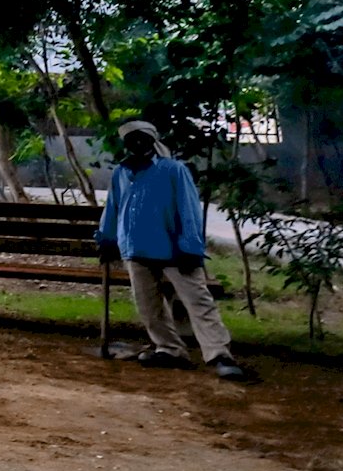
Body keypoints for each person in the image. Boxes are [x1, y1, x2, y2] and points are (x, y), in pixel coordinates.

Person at [96, 120, 257, 380]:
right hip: (135, 248)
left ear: (152, 141)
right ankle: (169, 349)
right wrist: (107, 238)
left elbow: (188, 208)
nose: (136, 144)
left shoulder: (173, 170)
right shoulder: (121, 172)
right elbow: (113, 208)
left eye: (142, 138)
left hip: (173, 249)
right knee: (148, 306)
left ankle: (219, 355)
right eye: (131, 139)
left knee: (198, 301)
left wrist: (190, 246)